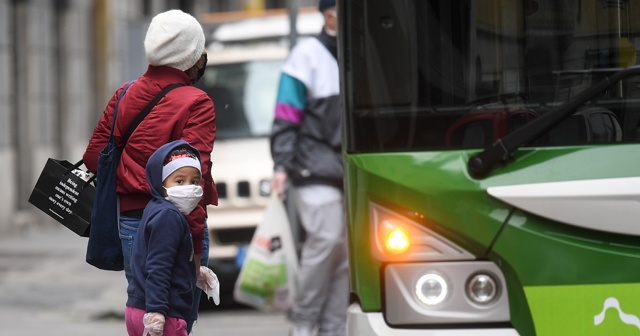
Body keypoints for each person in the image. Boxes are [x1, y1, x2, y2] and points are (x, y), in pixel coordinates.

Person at [82, 9, 217, 333]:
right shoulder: (196, 102)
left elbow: (92, 158)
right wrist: (197, 251)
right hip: (179, 225)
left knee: (148, 320)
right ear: (191, 55)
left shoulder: (124, 93)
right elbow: (191, 186)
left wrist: (132, 176)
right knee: (176, 322)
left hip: (131, 226)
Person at [269, 1, 348, 335]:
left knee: (343, 253)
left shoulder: (360, 50)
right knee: (327, 241)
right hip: (313, 167)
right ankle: (303, 322)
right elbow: (286, 115)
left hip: (346, 170)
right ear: (330, 13)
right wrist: (281, 165)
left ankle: (333, 327)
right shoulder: (306, 55)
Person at [125, 140, 208, 336]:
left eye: (194, 182)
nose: (189, 188)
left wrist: (195, 272)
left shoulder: (156, 209)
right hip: (162, 314)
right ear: (161, 183)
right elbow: (159, 267)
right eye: (179, 181)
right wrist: (156, 312)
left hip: (138, 309)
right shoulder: (169, 216)